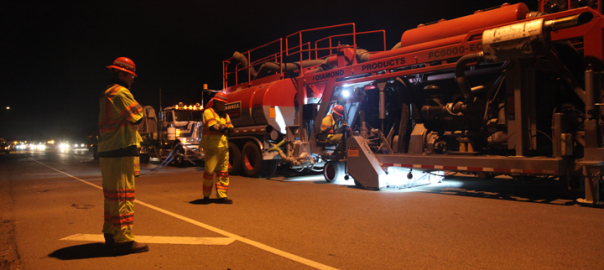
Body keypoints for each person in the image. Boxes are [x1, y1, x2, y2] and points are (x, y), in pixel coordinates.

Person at [98, 57, 149, 254]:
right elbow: (138, 115)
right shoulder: (120, 93)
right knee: (123, 197)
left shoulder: (106, 93)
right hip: (120, 150)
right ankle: (124, 241)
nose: (132, 80)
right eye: (131, 76)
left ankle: (110, 235)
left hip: (109, 151)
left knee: (111, 197)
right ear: (122, 74)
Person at [200, 92, 234, 204]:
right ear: (216, 102)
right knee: (209, 172)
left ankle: (222, 196)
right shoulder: (208, 112)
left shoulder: (225, 115)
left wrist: (225, 128)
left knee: (223, 172)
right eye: (222, 103)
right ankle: (206, 196)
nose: (224, 106)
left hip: (224, 147)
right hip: (211, 147)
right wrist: (223, 128)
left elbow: (230, 128)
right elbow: (213, 127)